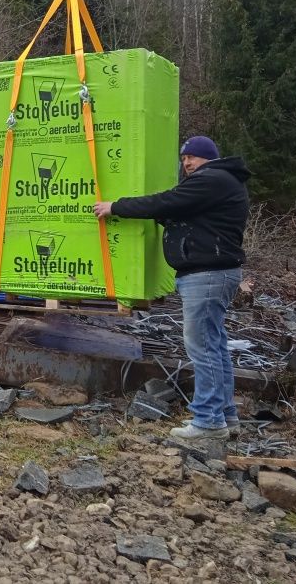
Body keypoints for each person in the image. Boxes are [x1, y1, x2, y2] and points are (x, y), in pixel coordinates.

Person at [93, 136, 251, 441]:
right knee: (215, 346)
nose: (187, 163)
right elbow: (175, 210)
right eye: (183, 159)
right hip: (215, 273)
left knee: (202, 347)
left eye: (192, 157)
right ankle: (225, 415)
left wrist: (116, 206)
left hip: (207, 275)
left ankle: (207, 422)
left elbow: (166, 202)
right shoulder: (220, 183)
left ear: (210, 157)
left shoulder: (213, 179)